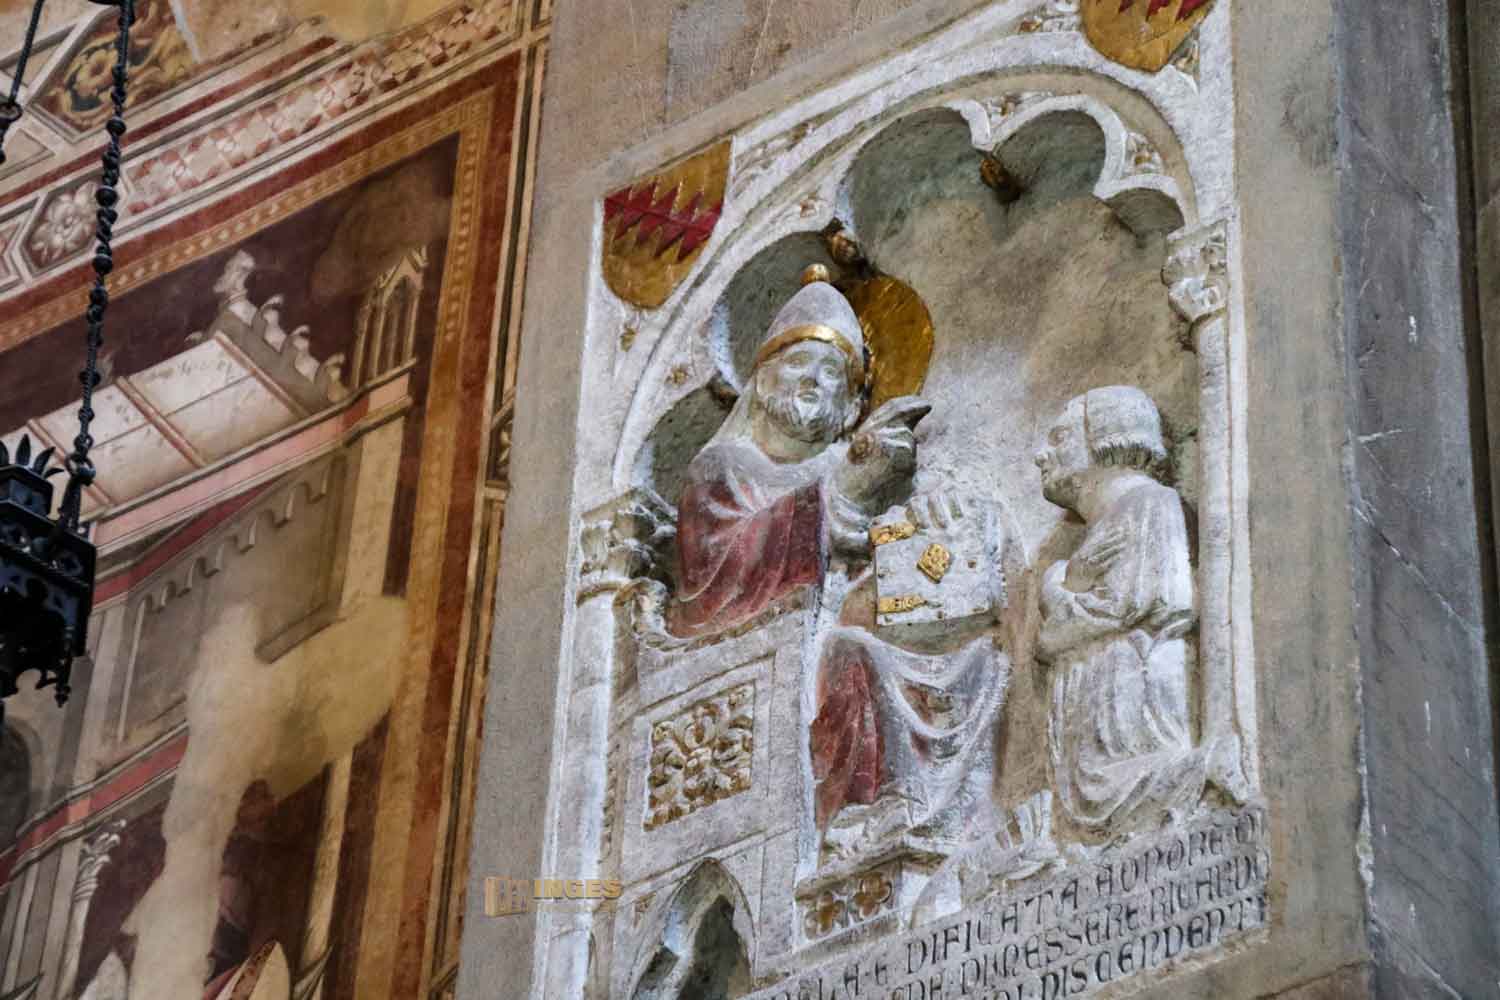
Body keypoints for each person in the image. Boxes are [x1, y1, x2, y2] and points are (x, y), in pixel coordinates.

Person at [667, 271, 927, 638]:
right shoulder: (721, 467)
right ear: (761, 381)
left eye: (831, 370)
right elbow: (710, 584)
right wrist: (838, 494)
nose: (812, 378)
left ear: (852, 406)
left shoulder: (851, 461)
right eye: (798, 361)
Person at [1033, 386, 1205, 835]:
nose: (1040, 455)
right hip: (1098, 713)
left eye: (1060, 438)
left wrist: (1056, 594)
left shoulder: (1151, 504)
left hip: (1134, 710)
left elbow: (1142, 602)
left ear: (1106, 436)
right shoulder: (1112, 522)